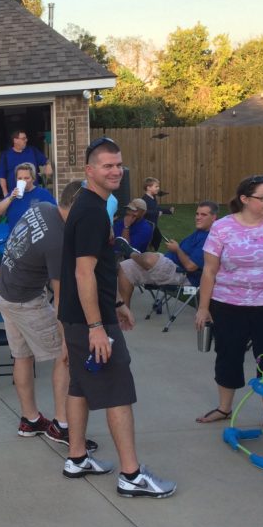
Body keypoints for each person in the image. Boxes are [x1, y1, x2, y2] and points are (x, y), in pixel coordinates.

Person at [57, 137, 176, 497]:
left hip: (80, 315)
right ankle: (131, 475)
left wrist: (118, 302)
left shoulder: (91, 204)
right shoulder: (92, 212)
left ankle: (77, 457)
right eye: (107, 165)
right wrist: (97, 326)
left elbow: (100, 267)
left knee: (80, 386)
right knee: (118, 391)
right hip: (89, 320)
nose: (115, 171)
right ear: (89, 170)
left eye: (118, 164)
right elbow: (83, 273)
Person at [194, 175, 263, 428]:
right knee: (228, 355)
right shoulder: (222, 227)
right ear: (244, 199)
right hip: (228, 305)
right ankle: (224, 408)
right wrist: (203, 307)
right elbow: (209, 270)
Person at [0, 180, 97, 451]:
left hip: (4, 291)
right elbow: (62, 298)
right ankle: (62, 425)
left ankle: (30, 420)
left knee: (22, 356)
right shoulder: (58, 241)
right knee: (65, 356)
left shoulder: (42, 207)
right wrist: (66, 339)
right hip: (26, 301)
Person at [117, 201, 217, 306]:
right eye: (197, 214)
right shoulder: (199, 232)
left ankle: (132, 253)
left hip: (182, 275)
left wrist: (177, 249)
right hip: (168, 269)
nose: (198, 217)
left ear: (213, 217)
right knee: (125, 267)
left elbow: (190, 267)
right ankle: (124, 312)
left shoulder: (210, 239)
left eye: (203, 215)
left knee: (150, 258)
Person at [0, 162, 56, 229]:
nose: (23, 181)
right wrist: (10, 198)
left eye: (26, 178)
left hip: (36, 234)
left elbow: (55, 213)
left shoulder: (43, 193)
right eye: (20, 178)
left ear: (33, 179)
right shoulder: (12, 194)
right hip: (15, 234)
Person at [0, 130, 51, 197]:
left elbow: (46, 161)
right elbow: (2, 176)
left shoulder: (32, 151)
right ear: (15, 140)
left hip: (33, 193)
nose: (26, 140)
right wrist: (5, 193)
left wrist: (48, 165)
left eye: (26, 138)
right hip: (15, 194)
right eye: (23, 138)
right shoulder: (6, 155)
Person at [141, 177, 174, 250]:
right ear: (149, 188)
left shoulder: (153, 197)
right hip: (147, 225)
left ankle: (150, 249)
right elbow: (144, 212)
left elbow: (156, 208)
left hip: (153, 224)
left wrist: (168, 211)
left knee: (156, 238)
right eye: (156, 186)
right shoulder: (144, 199)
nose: (158, 188)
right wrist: (156, 213)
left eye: (158, 186)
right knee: (155, 238)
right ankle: (148, 250)